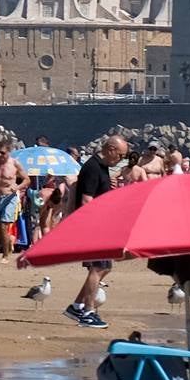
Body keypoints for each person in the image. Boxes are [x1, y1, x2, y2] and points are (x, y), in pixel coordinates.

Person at [64, 135, 127, 328]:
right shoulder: (93, 167)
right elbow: (86, 200)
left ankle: (77, 306)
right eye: (121, 155)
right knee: (98, 267)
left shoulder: (102, 167)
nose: (122, 159)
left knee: (105, 267)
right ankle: (88, 312)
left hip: (100, 225)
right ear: (111, 149)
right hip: (94, 226)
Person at [0, 140, 28, 263]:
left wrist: (17, 187)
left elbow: (27, 180)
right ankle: (8, 242)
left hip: (10, 197)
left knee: (3, 225)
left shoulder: (15, 164)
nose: (0, 155)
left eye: (2, 153)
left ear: (9, 152)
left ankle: (5, 256)